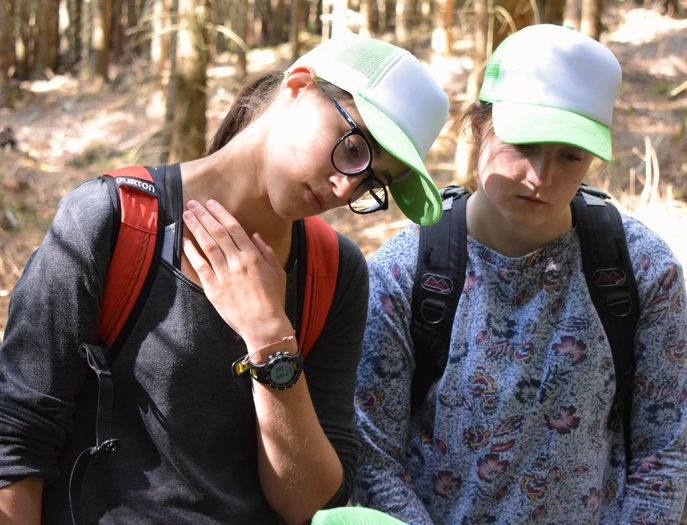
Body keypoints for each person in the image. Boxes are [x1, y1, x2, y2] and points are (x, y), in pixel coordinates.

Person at [0, 34, 449, 524]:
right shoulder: (113, 221)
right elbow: (16, 438)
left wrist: (270, 337)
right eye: (355, 147)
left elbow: (313, 503)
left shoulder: (335, 271)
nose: (346, 187)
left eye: (373, 181)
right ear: (298, 87)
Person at [352, 24, 687, 524]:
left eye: (570, 155)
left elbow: (661, 454)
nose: (540, 177)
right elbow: (372, 456)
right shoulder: (406, 273)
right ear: (478, 126)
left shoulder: (639, 270)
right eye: (523, 144)